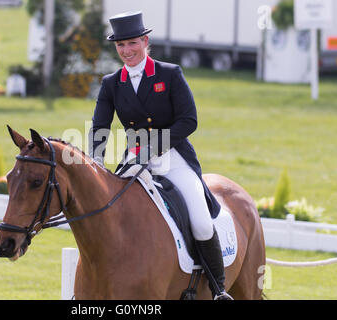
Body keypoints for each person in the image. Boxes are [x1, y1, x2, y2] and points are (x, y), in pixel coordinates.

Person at [88, 11, 233, 300]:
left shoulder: (169, 74)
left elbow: (189, 120)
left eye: (132, 44)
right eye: (121, 46)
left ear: (145, 41)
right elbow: (100, 127)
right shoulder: (111, 83)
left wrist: (154, 148)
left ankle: (218, 289)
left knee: (202, 221)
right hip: (134, 158)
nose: (127, 51)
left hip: (174, 156)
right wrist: (96, 162)